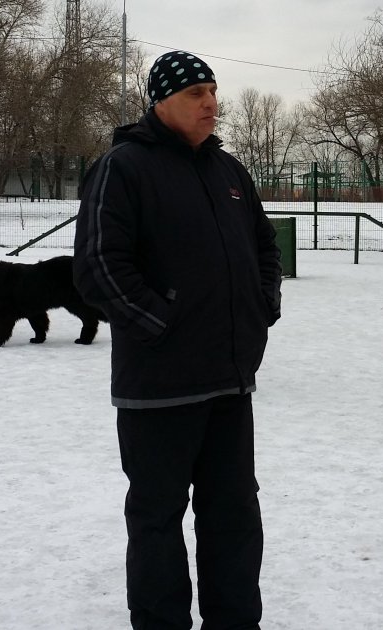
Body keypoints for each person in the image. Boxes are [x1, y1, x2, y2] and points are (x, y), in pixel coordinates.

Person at [73, 51, 282, 630]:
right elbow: (96, 266)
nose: (210, 103)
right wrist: (162, 325)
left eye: (213, 91)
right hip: (159, 389)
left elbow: (265, 249)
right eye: (195, 93)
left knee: (234, 517)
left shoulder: (230, 172)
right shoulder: (123, 167)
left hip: (228, 382)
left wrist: (262, 308)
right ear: (161, 101)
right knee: (158, 521)